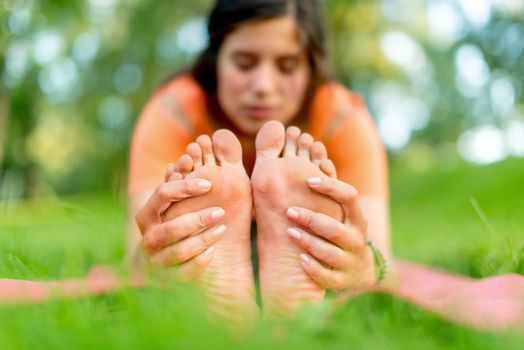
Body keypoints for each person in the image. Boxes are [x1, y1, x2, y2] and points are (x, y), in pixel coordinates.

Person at [128, 0, 391, 321]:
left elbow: (381, 258)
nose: (264, 87)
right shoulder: (175, 112)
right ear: (216, 60)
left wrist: (362, 265)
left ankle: (271, 291)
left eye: (287, 66)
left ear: (311, 68)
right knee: (190, 245)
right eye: (244, 63)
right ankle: (238, 287)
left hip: (302, 246)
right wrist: (154, 258)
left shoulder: (342, 118)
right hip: (210, 244)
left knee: (324, 246)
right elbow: (138, 254)